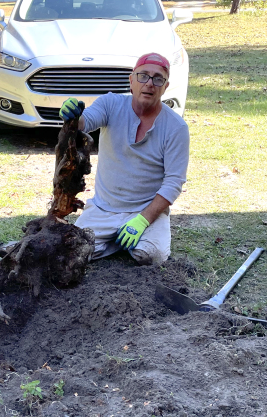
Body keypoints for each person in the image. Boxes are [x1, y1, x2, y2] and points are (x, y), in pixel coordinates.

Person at [59, 52, 190, 266]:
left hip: (146, 211)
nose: (149, 84)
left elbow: (174, 183)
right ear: (131, 80)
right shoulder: (111, 104)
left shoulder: (176, 128)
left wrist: (143, 220)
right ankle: (115, 242)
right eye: (143, 76)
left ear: (165, 87)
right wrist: (73, 117)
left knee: (151, 256)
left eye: (158, 79)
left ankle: (118, 240)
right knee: (71, 251)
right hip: (104, 209)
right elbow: (86, 122)